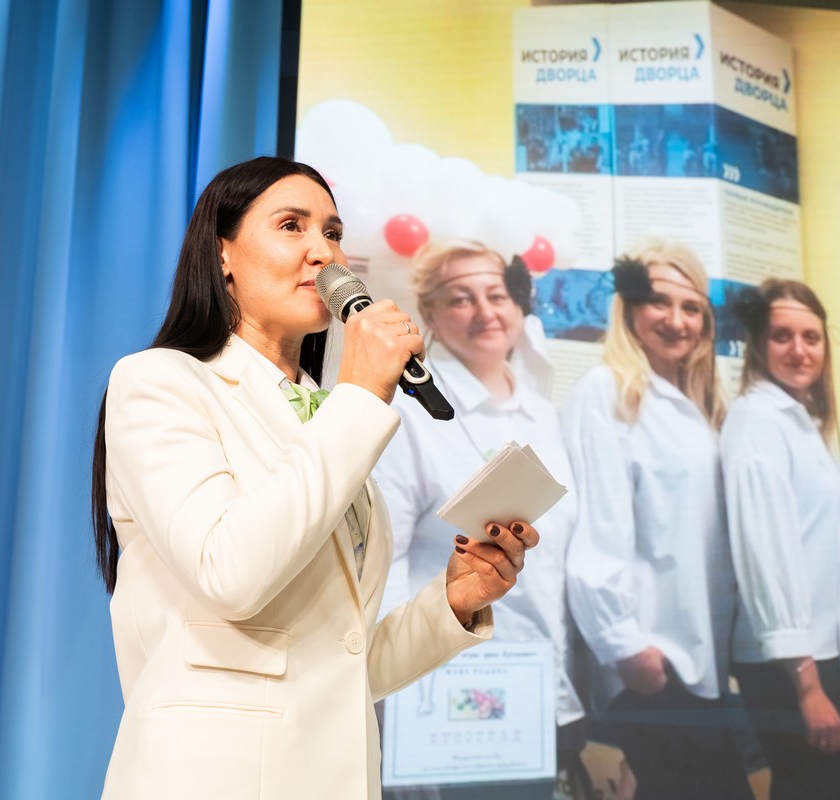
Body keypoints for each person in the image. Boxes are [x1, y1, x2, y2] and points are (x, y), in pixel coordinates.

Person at [90, 156, 539, 800]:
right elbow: (230, 573)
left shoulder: (325, 416)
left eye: (332, 233)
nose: (323, 253)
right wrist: (360, 395)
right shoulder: (159, 381)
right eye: (291, 226)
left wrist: (453, 602)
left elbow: (339, 661)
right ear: (222, 254)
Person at [373, 241, 587, 799]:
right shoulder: (409, 415)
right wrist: (392, 700)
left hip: (538, 687)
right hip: (446, 695)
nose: (485, 311)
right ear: (431, 314)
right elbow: (383, 563)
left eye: (497, 295)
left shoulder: (544, 414)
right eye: (460, 298)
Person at [563, 241, 752, 800]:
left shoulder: (698, 403)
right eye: (659, 303)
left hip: (697, 656)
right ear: (629, 308)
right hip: (649, 654)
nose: (677, 320)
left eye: (691, 307)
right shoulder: (607, 392)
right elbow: (598, 529)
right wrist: (624, 646)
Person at [723, 280, 840, 800]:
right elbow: (765, 555)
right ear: (759, 344)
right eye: (783, 336)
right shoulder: (757, 420)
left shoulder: (797, 420)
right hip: (789, 661)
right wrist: (807, 685)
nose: (800, 350)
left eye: (811, 337)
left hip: (813, 651)